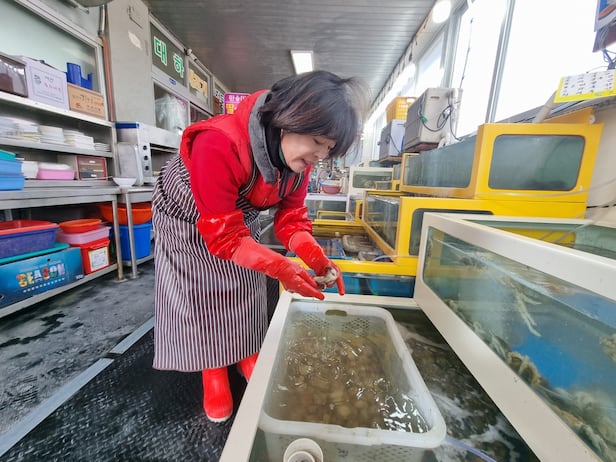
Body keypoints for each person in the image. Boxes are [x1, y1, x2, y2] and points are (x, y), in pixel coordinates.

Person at [151, 70, 368, 422]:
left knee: (246, 282)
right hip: (185, 216)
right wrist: (283, 267)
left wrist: (316, 259)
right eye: (318, 141)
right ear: (291, 118)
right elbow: (224, 237)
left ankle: (246, 352)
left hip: (235, 218)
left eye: (328, 149)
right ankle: (212, 368)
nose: (320, 155)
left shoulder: (298, 166)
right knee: (200, 290)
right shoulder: (217, 143)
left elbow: (291, 221)